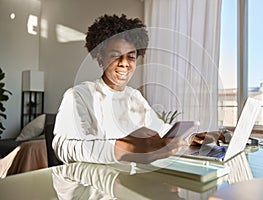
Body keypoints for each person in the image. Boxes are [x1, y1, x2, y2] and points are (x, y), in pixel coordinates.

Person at [52, 14, 226, 165]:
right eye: (115, 56)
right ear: (100, 59)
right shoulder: (79, 95)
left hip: (131, 179)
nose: (125, 63)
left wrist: (189, 139)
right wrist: (122, 148)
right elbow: (65, 146)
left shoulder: (135, 97)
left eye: (131, 57)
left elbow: (160, 130)